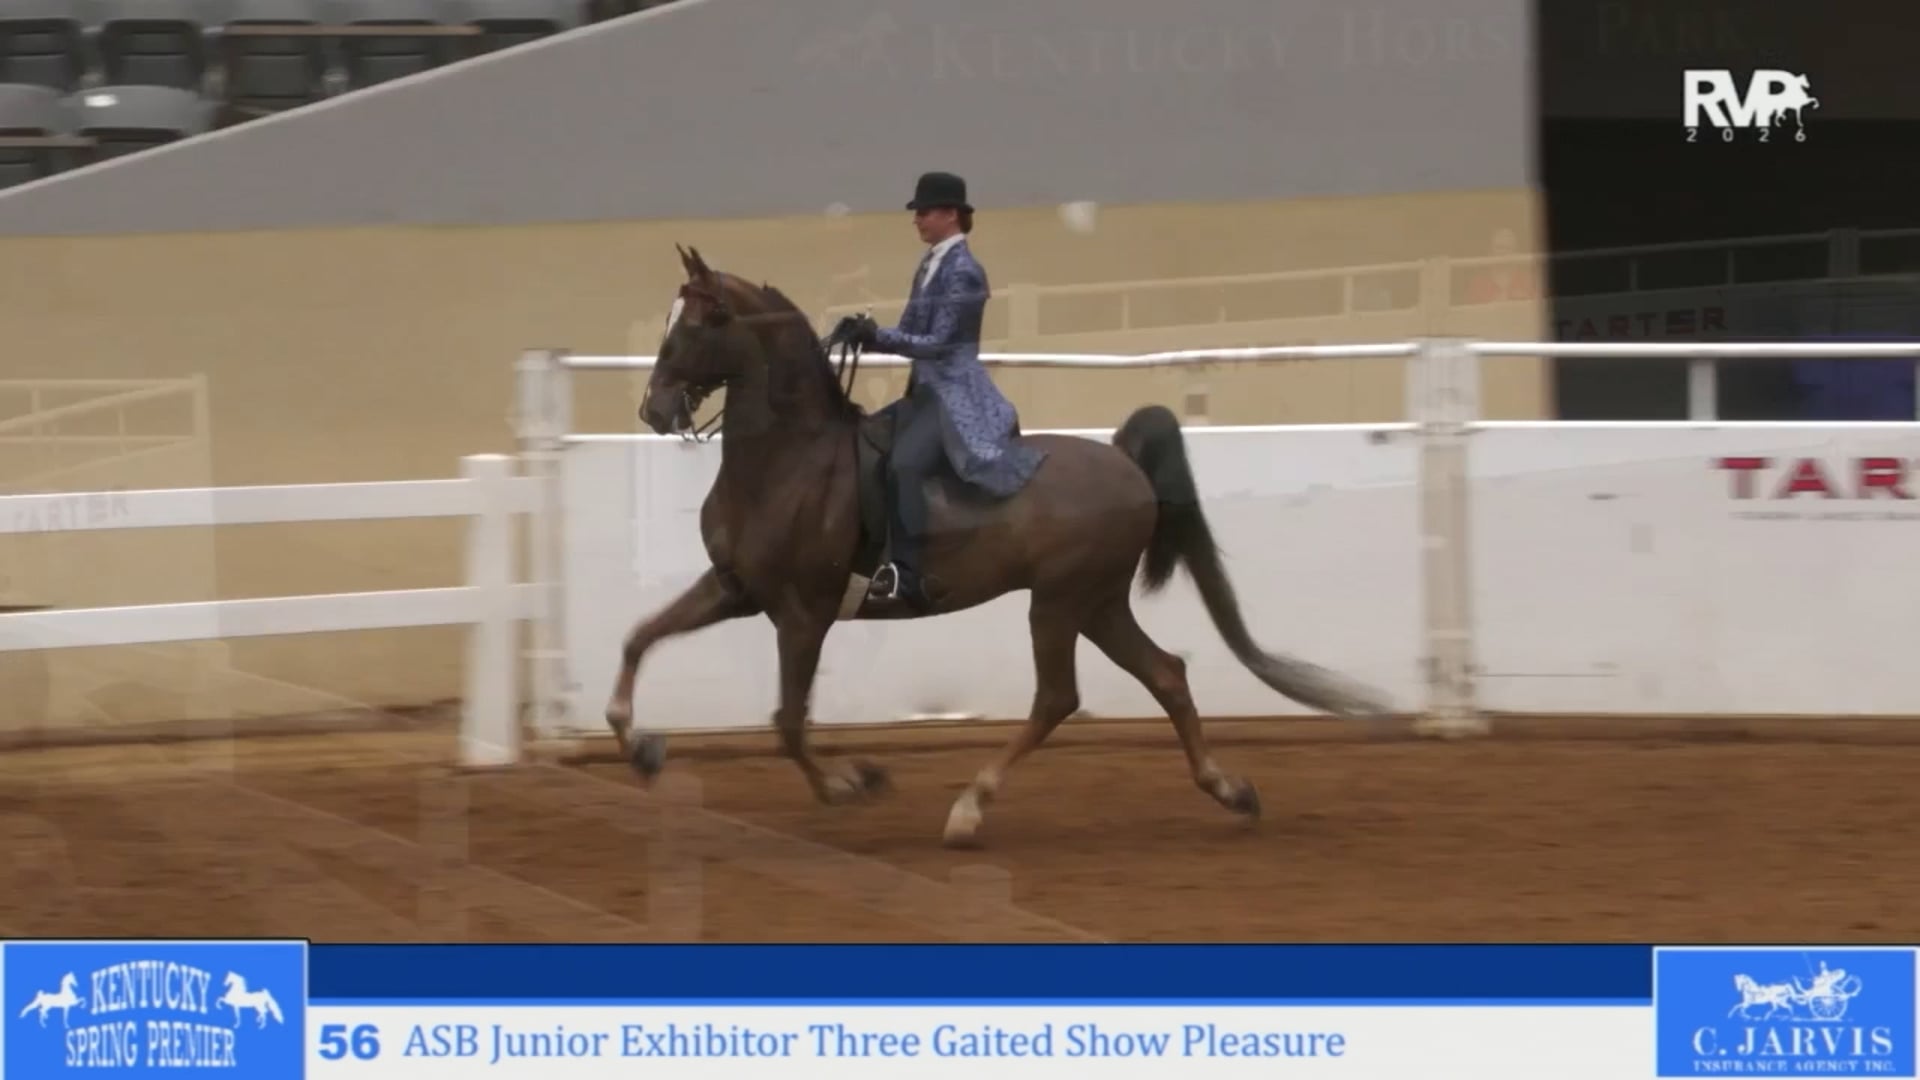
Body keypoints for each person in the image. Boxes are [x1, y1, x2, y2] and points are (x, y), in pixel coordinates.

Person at [831, 171, 1046, 612]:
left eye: (924, 212)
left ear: (950, 214)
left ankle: (908, 577)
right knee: (865, 444)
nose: (917, 220)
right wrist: (864, 335)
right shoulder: (929, 265)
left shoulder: (965, 271)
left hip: (955, 394)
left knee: (905, 466)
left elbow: (942, 343)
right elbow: (910, 331)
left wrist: (881, 336)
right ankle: (869, 561)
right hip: (926, 390)